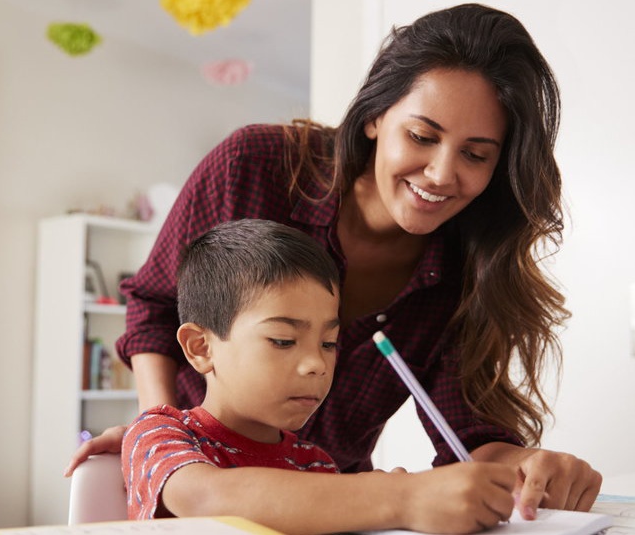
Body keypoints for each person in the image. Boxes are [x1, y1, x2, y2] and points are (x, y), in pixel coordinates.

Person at [67, 2, 602, 520]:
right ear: (374, 116)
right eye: (422, 136)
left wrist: (526, 467)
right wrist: (157, 426)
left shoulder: (467, 271)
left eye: (476, 154)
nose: (441, 173)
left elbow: (469, 440)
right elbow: (157, 307)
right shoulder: (253, 166)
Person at [123, 218, 518, 534]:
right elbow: (207, 499)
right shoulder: (160, 433)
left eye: (329, 344)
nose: (317, 363)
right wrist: (401, 497)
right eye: (282, 340)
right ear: (201, 347)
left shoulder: (314, 465)